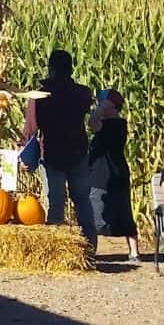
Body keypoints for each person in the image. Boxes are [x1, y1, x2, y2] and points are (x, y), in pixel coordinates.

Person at [23, 49, 97, 248]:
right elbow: (87, 111)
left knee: (55, 202)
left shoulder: (40, 96)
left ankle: (56, 249)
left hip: (52, 153)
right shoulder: (82, 92)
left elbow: (32, 128)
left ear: (51, 68)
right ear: (71, 68)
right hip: (78, 151)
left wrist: (25, 152)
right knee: (82, 200)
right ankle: (90, 246)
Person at [87, 89, 140, 263]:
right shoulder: (118, 124)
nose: (98, 105)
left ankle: (90, 252)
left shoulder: (115, 124)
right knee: (122, 212)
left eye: (102, 102)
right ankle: (133, 252)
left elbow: (91, 123)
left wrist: (100, 109)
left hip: (104, 177)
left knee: (96, 216)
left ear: (111, 106)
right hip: (115, 174)